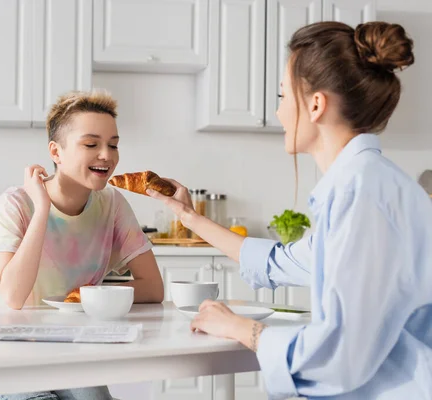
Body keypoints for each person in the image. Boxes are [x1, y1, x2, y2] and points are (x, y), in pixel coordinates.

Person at [150, 21, 432, 399]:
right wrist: (190, 217)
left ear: (315, 105)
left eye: (283, 96)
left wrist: (242, 330)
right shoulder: (363, 185)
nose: (280, 112)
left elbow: (340, 355)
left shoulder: (365, 197)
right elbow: (280, 261)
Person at [0, 90, 164, 400]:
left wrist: (89, 296)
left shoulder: (111, 203)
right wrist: (41, 210)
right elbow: (12, 297)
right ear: (56, 152)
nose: (106, 155)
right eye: (91, 144)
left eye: (114, 145)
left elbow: (154, 288)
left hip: (74, 345)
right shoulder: (17, 203)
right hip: (9, 348)